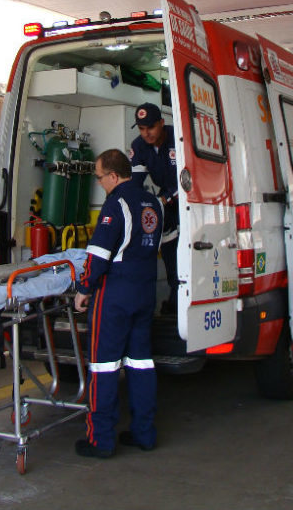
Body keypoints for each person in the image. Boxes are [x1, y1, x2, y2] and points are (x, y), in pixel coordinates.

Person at [74, 148, 161, 458]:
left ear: (113, 175)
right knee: (140, 364)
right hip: (145, 292)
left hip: (116, 296)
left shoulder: (117, 203)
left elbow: (98, 255)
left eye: (99, 178)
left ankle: (101, 440)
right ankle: (144, 433)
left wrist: (84, 288)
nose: (99, 184)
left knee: (104, 366)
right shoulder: (152, 202)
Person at [128, 102, 179, 315]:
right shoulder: (139, 146)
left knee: (184, 251)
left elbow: (190, 177)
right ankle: (174, 298)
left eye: (151, 127)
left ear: (161, 123)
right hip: (165, 204)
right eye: (141, 128)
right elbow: (135, 184)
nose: (146, 133)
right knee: (168, 250)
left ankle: (182, 301)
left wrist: (164, 198)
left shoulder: (179, 137)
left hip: (188, 201)